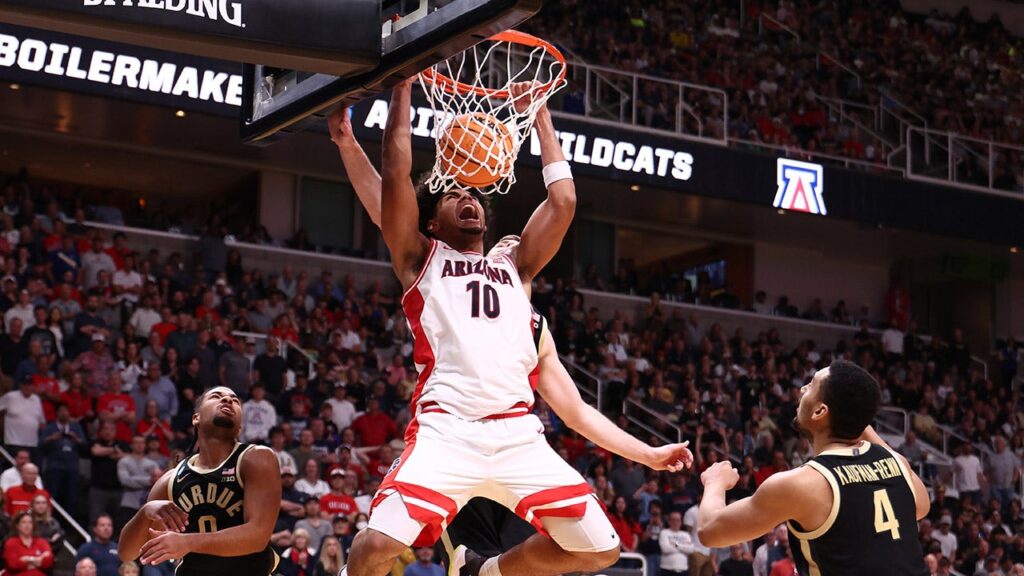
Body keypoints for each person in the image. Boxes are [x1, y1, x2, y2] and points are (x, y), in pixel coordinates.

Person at [337, 80, 691, 576]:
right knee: (375, 545)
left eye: (473, 195)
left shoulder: (517, 272)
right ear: (431, 222)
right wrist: (403, 83)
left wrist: (539, 113)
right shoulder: (422, 259)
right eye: (453, 195)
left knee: (601, 550)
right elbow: (394, 174)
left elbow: (563, 201)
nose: (467, 198)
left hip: (519, 437)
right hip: (447, 429)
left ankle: (489, 572)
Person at [697, 360, 931, 575]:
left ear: (819, 411)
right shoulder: (898, 465)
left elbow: (709, 531)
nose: (801, 389)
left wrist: (714, 482)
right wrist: (858, 418)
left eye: (810, 386)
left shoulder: (802, 484)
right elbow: (922, 506)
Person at [118, 387, 281, 576]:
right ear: (196, 418)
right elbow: (127, 553)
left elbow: (257, 536)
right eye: (216, 396)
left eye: (235, 400)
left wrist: (187, 542)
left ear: (240, 427)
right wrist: (145, 512)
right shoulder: (171, 480)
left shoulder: (256, 458)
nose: (228, 400)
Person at [40, 404, 85, 518]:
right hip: (54, 467)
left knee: (71, 498)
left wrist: (76, 439)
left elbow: (85, 445)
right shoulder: (50, 427)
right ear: (57, 413)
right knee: (53, 496)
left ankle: (70, 525)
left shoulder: (75, 427)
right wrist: (51, 438)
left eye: (66, 411)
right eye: (61, 411)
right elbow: (40, 444)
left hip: (72, 468)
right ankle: (49, 520)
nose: (64, 413)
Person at [116, 436, 159, 532]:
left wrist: (134, 479)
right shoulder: (124, 462)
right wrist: (148, 480)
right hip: (129, 504)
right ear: (131, 445)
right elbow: (125, 481)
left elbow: (156, 481)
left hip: (147, 504)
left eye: (142, 443)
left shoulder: (152, 464)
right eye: (136, 443)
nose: (139, 445)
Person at [89, 421, 126, 525]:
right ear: (100, 431)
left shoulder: (122, 444)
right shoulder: (95, 442)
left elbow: (129, 457)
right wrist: (114, 450)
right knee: (95, 519)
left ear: (115, 431)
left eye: (111, 429)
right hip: (98, 489)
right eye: (105, 429)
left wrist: (104, 451)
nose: (108, 432)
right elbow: (96, 451)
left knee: (118, 521)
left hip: (117, 489)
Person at [0, 375, 46, 456]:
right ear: (20, 385)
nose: (27, 387)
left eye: (29, 384)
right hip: (13, 442)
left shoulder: (36, 399)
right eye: (25, 384)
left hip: (32, 444)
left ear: (33, 386)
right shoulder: (10, 397)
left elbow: (42, 422)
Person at [3, 511, 53, 576]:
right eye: (24, 522)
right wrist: (39, 560)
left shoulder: (42, 542)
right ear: (17, 526)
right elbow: (13, 564)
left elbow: (49, 560)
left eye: (30, 522)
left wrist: (27, 559)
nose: (27, 525)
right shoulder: (11, 542)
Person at [658, 510, 693, 576]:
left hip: (683, 570)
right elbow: (665, 549)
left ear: (681, 522)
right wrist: (683, 546)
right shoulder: (664, 533)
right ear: (669, 521)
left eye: (678, 520)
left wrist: (675, 544)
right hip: (667, 570)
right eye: (673, 520)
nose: (676, 522)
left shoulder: (686, 534)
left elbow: (690, 549)